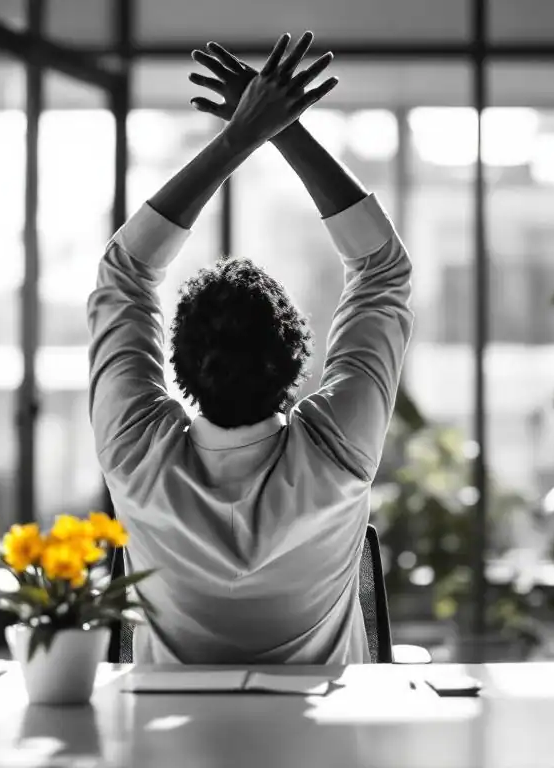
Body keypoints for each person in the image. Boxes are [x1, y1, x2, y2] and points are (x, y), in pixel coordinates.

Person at [87, 32, 414, 664]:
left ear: (178, 365)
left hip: (162, 757)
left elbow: (122, 272)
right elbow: (382, 270)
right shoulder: (337, 456)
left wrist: (244, 135)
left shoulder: (135, 457)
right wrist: (279, 129)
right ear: (295, 360)